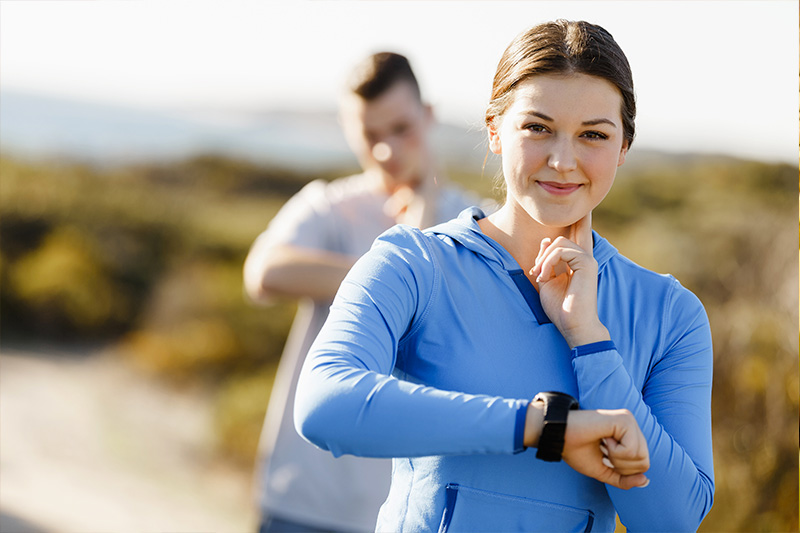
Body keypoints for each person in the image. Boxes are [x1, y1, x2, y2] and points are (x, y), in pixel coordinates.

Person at [294, 20, 714, 532]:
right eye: (537, 127)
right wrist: (544, 427)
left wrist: (591, 341)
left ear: (624, 145)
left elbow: (673, 519)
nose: (562, 161)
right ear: (495, 129)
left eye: (594, 135)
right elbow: (325, 404)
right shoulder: (414, 264)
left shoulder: (670, 313)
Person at [244, 52, 485, 533]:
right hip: (303, 500)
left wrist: (427, 208)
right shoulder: (329, 205)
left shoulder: (478, 222)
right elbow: (264, 274)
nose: (385, 151)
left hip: (411, 513)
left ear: (429, 116)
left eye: (401, 129)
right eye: (370, 136)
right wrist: (392, 275)